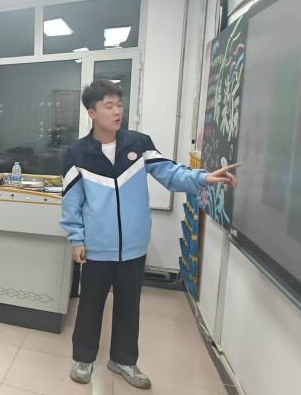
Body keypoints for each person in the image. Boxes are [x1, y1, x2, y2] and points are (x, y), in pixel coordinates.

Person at [63, 80, 239, 389]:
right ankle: (83, 359)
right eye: (109, 106)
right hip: (97, 247)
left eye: (119, 105)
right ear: (91, 113)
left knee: (129, 306)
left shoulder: (139, 144)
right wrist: (76, 238)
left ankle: (124, 360)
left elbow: (170, 173)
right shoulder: (77, 153)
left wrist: (203, 178)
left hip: (134, 246)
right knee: (90, 305)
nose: (117, 112)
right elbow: (71, 201)